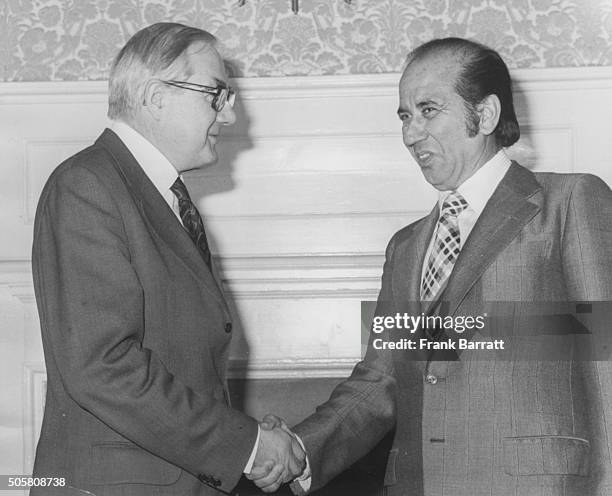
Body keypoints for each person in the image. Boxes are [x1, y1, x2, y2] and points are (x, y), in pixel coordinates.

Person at [249, 37, 612, 496]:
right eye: (404, 116)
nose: (410, 134)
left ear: (485, 115)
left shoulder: (572, 202)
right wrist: (301, 447)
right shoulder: (404, 247)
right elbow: (380, 378)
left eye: (427, 110)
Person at [31, 22, 304, 496]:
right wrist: (248, 445)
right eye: (216, 94)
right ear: (157, 97)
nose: (229, 114)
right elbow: (103, 365)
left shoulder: (159, 195)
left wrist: (249, 440)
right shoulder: (87, 186)